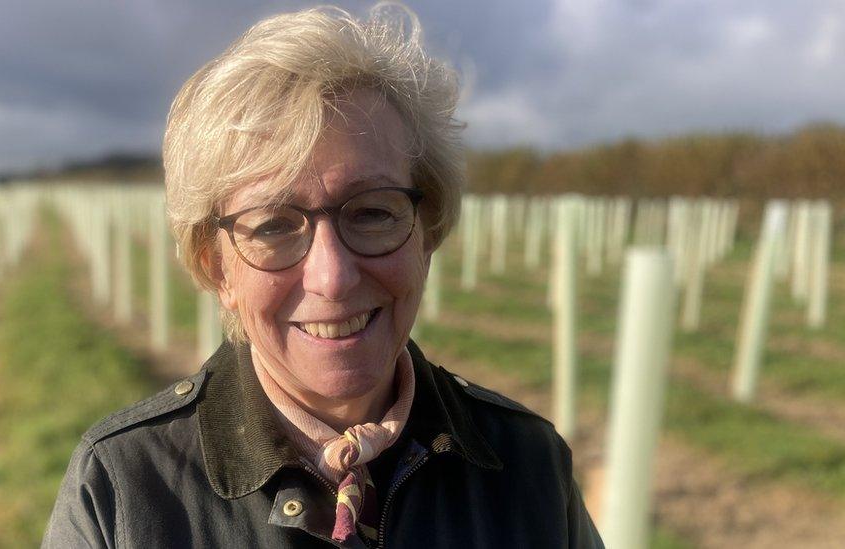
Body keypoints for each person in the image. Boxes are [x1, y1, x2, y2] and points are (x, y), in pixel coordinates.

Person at [43, 3, 604, 548]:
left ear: (427, 232)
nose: (332, 277)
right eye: (273, 226)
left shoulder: (530, 467)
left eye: (373, 212)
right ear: (218, 267)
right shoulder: (121, 491)